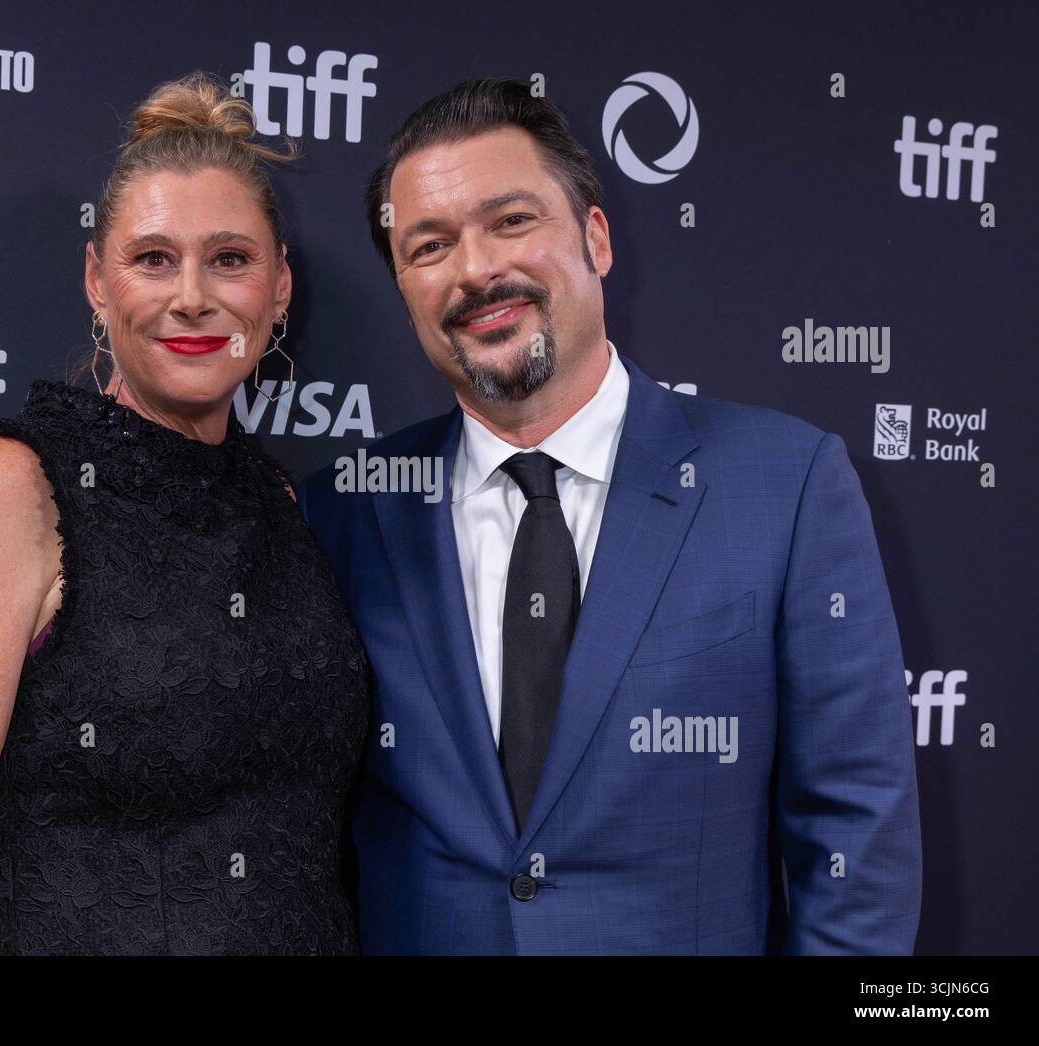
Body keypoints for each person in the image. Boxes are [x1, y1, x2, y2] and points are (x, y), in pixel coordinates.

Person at [298, 78, 922, 954]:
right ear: (404, 287)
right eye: (430, 245)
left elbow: (855, 837)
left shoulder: (783, 486)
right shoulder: (342, 514)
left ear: (595, 237)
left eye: (511, 221)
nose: (476, 270)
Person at [0, 72, 370, 955]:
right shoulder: (6, 489)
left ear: (279, 289)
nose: (192, 297)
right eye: (153, 258)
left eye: (232, 259)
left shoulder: (280, 505)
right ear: (98, 281)